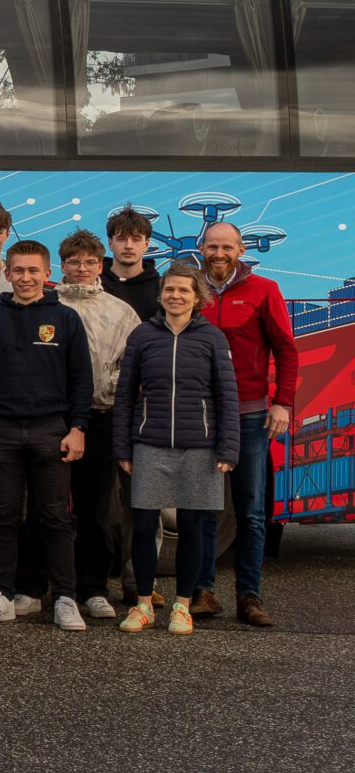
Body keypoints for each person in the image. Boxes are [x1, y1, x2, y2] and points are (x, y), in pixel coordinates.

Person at [0, 240, 93, 630]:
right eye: (18, 270)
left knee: (54, 517)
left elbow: (81, 379)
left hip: (51, 431)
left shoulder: (65, 319)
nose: (25, 278)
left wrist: (78, 427)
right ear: (8, 273)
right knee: (0, 517)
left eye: (33, 270)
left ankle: (66, 598)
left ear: (47, 274)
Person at [114, 264, 238, 635]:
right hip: (149, 444)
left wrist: (227, 449)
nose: (175, 296)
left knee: (193, 527)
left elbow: (227, 397)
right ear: (161, 294)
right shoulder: (142, 336)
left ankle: (182, 606)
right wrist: (123, 446)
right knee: (143, 527)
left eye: (184, 290)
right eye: (169, 290)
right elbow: (125, 396)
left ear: (197, 297)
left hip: (199, 448)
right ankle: (143, 604)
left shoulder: (212, 338)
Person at [197, 220, 295, 627]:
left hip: (252, 413)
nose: (219, 254)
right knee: (202, 507)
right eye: (212, 246)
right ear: (201, 247)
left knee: (251, 510)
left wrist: (282, 403)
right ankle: (203, 592)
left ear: (240, 249)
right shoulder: (187, 287)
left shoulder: (264, 290)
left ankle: (248, 597)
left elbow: (286, 350)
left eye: (227, 247)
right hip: (199, 414)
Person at [57, 230, 141, 621]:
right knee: (52, 508)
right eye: (74, 262)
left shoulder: (120, 311)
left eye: (90, 262)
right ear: (63, 265)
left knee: (95, 510)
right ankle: (53, 585)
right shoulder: (47, 305)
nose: (82, 268)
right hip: (56, 419)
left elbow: (135, 366)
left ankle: (93, 587)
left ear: (100, 265)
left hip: (102, 417)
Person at [101, 207, 163, 324]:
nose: (128, 245)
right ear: (110, 243)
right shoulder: (93, 283)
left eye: (136, 239)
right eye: (121, 239)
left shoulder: (161, 288)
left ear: (146, 244)